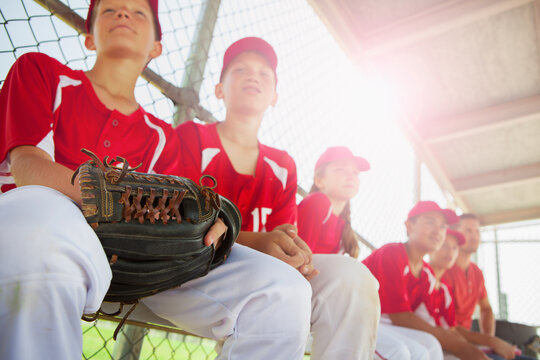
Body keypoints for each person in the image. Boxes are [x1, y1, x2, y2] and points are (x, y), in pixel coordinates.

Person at [0, 1, 313, 359]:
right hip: (40, 233)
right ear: (89, 38)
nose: (123, 14)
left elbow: (181, 214)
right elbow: (27, 167)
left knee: (283, 290)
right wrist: (125, 202)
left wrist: (215, 217)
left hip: (135, 261)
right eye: (110, 10)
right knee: (44, 211)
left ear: (156, 48)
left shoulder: (164, 137)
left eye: (137, 12)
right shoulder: (42, 71)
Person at [174, 37, 381, 359]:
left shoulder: (282, 164)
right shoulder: (192, 136)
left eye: (264, 73)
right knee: (281, 287)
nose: (253, 76)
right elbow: (174, 227)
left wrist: (293, 255)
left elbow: (284, 238)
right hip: (190, 269)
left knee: (352, 277)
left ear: (274, 96)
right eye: (240, 69)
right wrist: (256, 242)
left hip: (261, 275)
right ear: (219, 89)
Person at [362, 201, 491, 360]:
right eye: (431, 222)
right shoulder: (393, 252)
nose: (438, 231)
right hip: (358, 319)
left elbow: (437, 324)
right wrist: (461, 346)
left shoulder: (427, 273)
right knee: (400, 351)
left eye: (443, 226)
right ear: (409, 226)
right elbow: (400, 316)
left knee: (429, 345)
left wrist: (467, 344)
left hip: (386, 327)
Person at [428, 229, 532, 360]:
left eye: (454, 248)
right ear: (433, 246)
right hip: (440, 347)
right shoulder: (425, 277)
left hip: (460, 341)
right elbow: (441, 330)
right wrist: (487, 342)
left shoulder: (445, 287)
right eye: (444, 245)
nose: (450, 251)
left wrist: (489, 341)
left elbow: (453, 327)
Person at [297, 146, 370, 258]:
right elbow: (300, 258)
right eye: (340, 169)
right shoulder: (317, 202)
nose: (351, 177)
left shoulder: (344, 225)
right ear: (319, 180)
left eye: (355, 173)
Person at [442, 214, 495, 335]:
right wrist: (489, 342)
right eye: (468, 231)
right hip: (449, 340)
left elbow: (486, 308)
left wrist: (489, 339)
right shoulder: (444, 269)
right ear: (455, 234)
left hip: (468, 340)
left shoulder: (477, 272)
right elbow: (445, 325)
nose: (474, 236)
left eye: (477, 231)